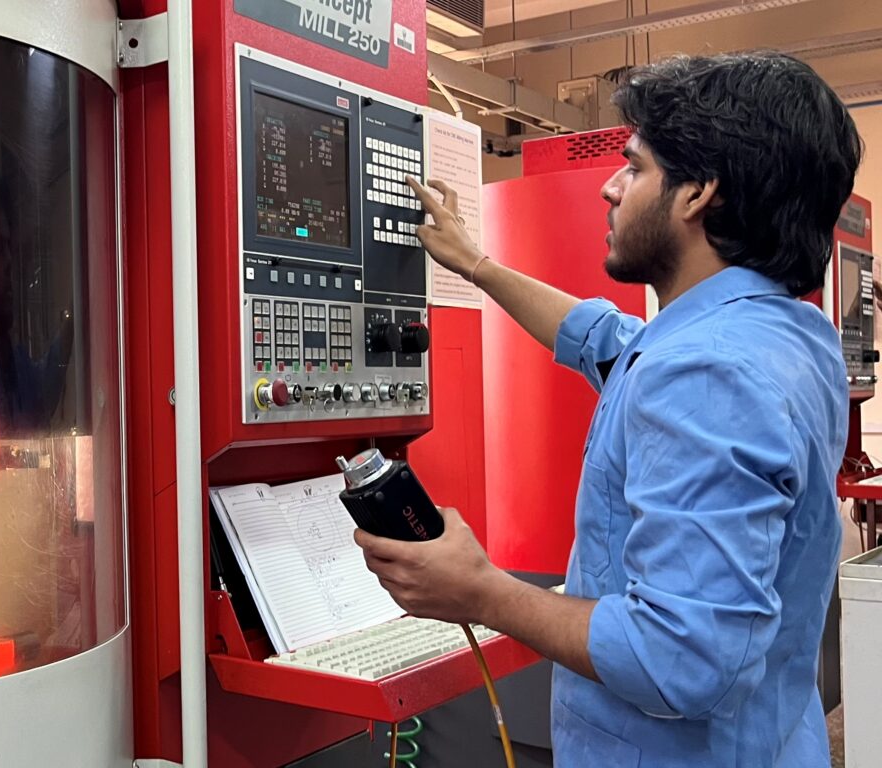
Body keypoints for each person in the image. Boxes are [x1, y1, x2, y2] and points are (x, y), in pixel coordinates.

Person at [355, 52, 862, 766]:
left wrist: (482, 592)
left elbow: (679, 659)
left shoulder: (706, 372)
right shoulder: (782, 333)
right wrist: (477, 264)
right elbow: (608, 342)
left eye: (635, 166)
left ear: (698, 194)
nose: (611, 187)